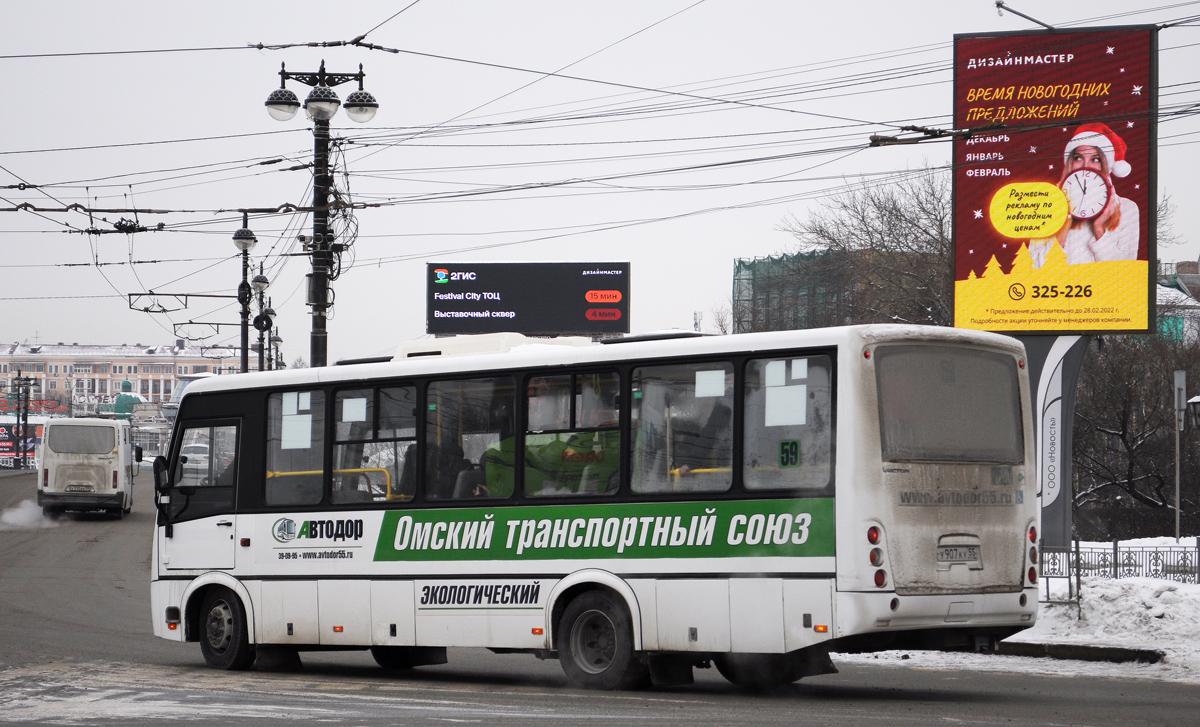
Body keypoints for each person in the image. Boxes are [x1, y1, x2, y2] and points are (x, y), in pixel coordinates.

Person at [1027, 122, 1139, 268]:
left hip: (1102, 291)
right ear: (1069, 163)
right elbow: (1033, 268)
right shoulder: (1046, 205)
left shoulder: (1127, 208)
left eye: (1095, 159)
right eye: (1078, 158)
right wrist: (1063, 226)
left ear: (1105, 165)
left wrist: (1099, 229)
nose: (1086, 166)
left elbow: (1125, 272)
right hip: (1055, 290)